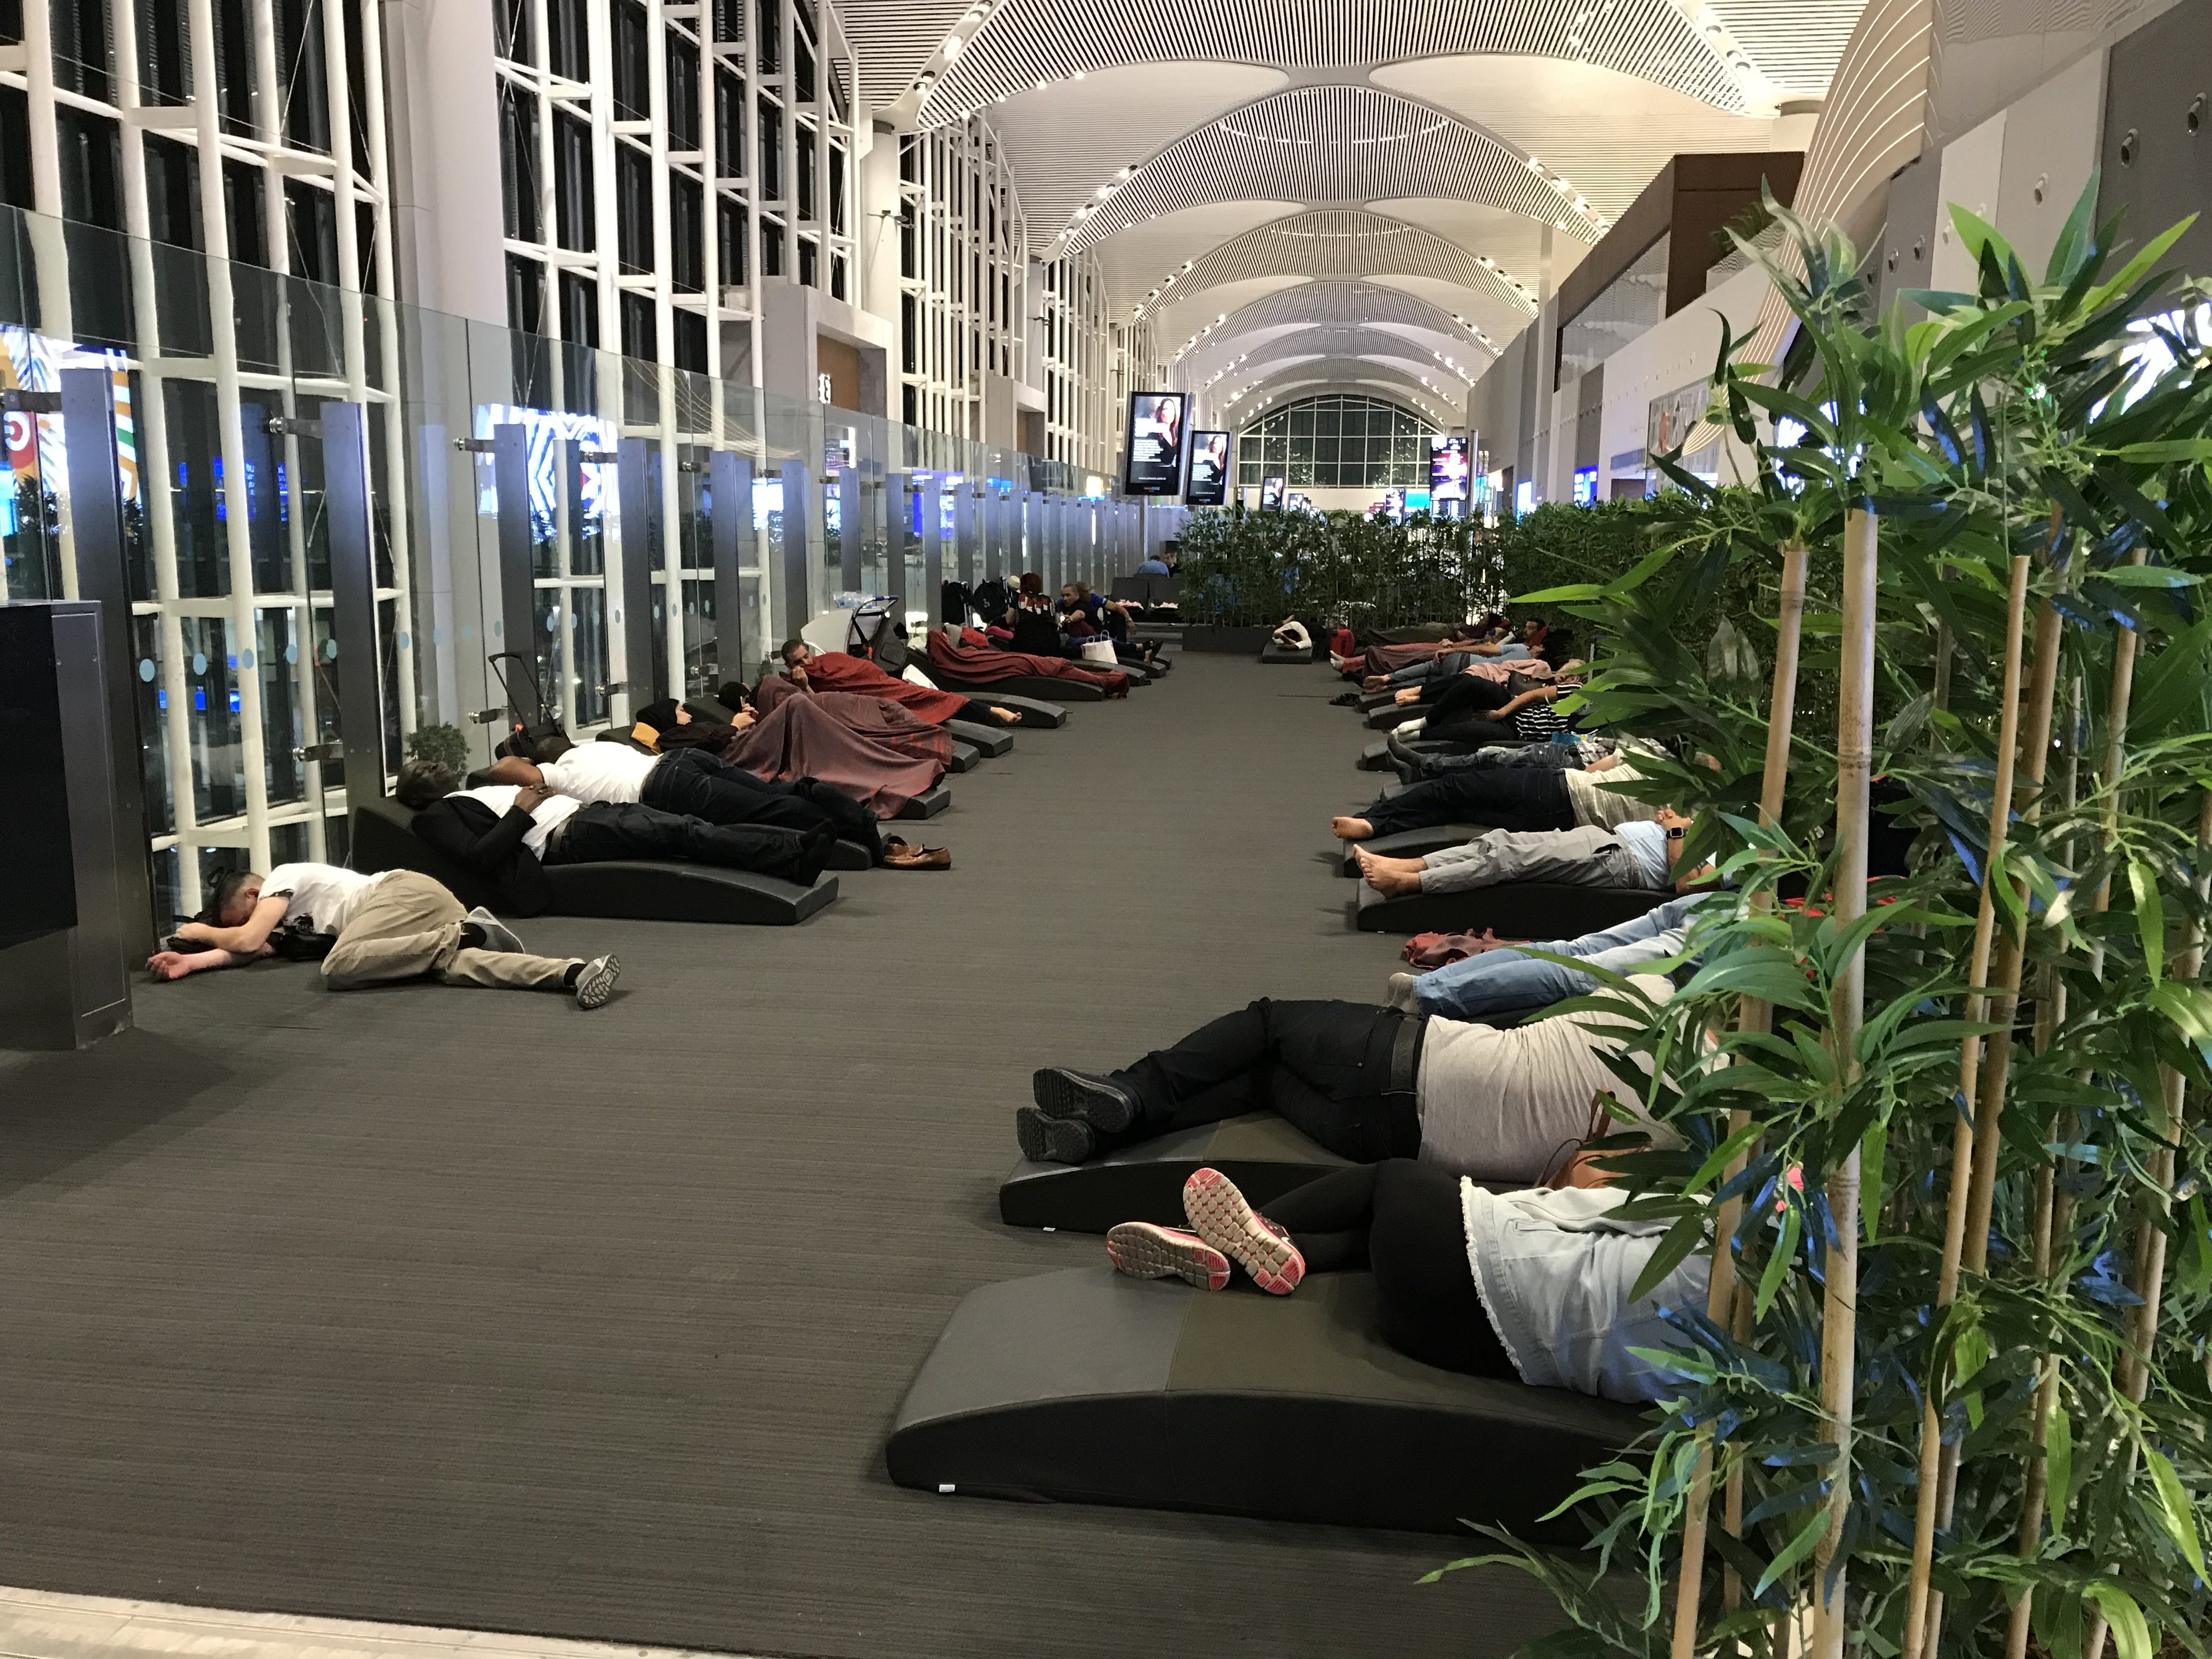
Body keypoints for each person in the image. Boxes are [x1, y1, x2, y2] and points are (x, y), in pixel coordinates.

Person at [1102, 1162, 1705, 1403]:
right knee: (1388, 1231)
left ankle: (1258, 1230)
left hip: (1471, 1272)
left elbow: (1589, 1201)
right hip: (1458, 1342)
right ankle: (1269, 1249)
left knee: (1393, 1180)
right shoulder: (1764, 1374)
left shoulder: (1719, 1223)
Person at [1014, 974, 1677, 1183]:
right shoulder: (1700, 1145)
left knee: (1267, 1024)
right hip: (1379, 1138)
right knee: (1262, 1082)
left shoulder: (1656, 995)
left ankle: (1130, 1090)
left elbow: (1554, 979)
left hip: (1407, 1057)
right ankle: (1098, 1135)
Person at [395, 759, 836, 914]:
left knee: (687, 830)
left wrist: (533, 798)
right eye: (422, 772)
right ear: (417, 795)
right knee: (686, 831)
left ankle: (789, 856)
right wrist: (521, 810)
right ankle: (792, 852)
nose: (431, 767)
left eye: (430, 763)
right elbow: (478, 855)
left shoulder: (468, 791)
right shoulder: (434, 815)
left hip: (587, 817)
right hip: (568, 836)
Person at [147, 864, 619, 1007]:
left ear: (253, 893)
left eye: (237, 916)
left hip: (402, 894)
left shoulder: (281, 879)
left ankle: (466, 932)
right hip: (407, 926)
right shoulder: (283, 923)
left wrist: (205, 931)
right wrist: (193, 962)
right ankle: (573, 973)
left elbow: (249, 941)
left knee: (338, 968)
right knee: (462, 968)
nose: (238, 930)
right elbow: (250, 952)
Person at [481, 726, 913, 864]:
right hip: (680, 761)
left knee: (773, 808)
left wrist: (515, 777)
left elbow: (503, 769)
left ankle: (856, 823)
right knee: (774, 794)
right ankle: (815, 791)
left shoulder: (559, 771)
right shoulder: (596, 747)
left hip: (667, 787)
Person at [1384, 893, 1709, 1019]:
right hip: (1728, 917)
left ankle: (1426, 987)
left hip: (1718, 902)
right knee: (1578, 967)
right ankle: (1428, 993)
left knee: (1570, 955)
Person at [1353, 806, 1701, 898]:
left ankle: (1407, 883)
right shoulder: (1730, 832)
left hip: (1622, 862)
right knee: (1499, 841)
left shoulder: (1744, 859)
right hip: (1608, 841)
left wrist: (1674, 830)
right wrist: (1669, 823)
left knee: (1508, 861)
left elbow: (1688, 885)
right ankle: (1407, 864)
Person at [1334, 749, 1656, 842]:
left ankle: (1370, 818)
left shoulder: (1698, 803)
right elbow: (1601, 767)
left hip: (1559, 793)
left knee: (1454, 790)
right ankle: (1376, 826)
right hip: (1566, 814)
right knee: (1461, 810)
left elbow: (1594, 772)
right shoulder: (1682, 783)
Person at [778, 640, 1024, 727]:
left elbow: (860, 670)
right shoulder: (800, 682)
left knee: (934, 697)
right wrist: (805, 686)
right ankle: (994, 712)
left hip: (886, 686)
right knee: (935, 701)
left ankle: (993, 712)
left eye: (806, 656)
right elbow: (819, 706)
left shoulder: (830, 659)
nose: (805, 662)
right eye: (799, 661)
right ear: (791, 666)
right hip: (874, 704)